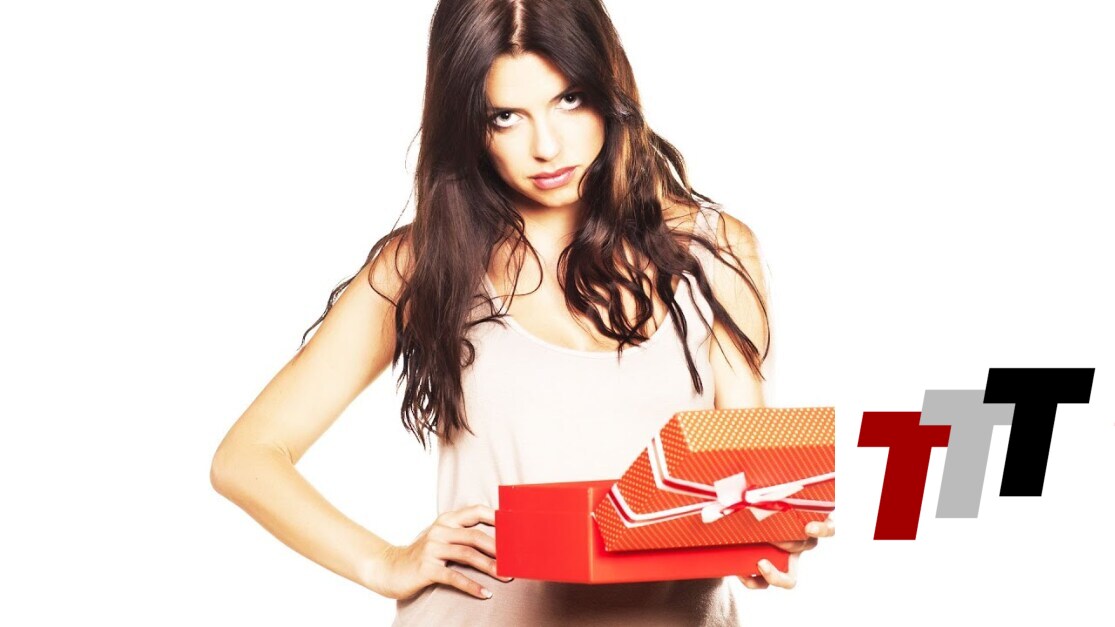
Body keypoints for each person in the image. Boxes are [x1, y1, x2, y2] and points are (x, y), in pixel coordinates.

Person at [210, 0, 834, 624]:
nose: (547, 146)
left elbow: (743, 490)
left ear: (609, 90)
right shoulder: (424, 264)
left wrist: (770, 538)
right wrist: (383, 562)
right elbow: (247, 455)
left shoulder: (715, 253)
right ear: (467, 124)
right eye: (505, 117)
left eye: (569, 100)